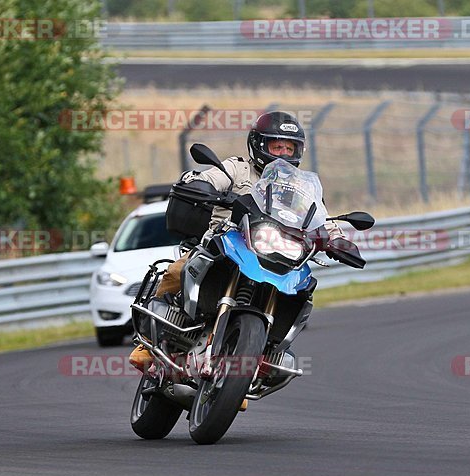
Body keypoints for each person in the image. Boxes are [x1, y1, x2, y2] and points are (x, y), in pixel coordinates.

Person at [129, 111, 346, 377]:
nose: (283, 153)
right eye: (277, 146)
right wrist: (197, 183)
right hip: (226, 240)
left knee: (300, 290)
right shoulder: (238, 167)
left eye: (290, 148)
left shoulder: (300, 187)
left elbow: (320, 217)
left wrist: (338, 239)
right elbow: (210, 178)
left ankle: (257, 361)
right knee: (178, 270)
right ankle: (147, 345)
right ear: (259, 145)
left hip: (274, 252)